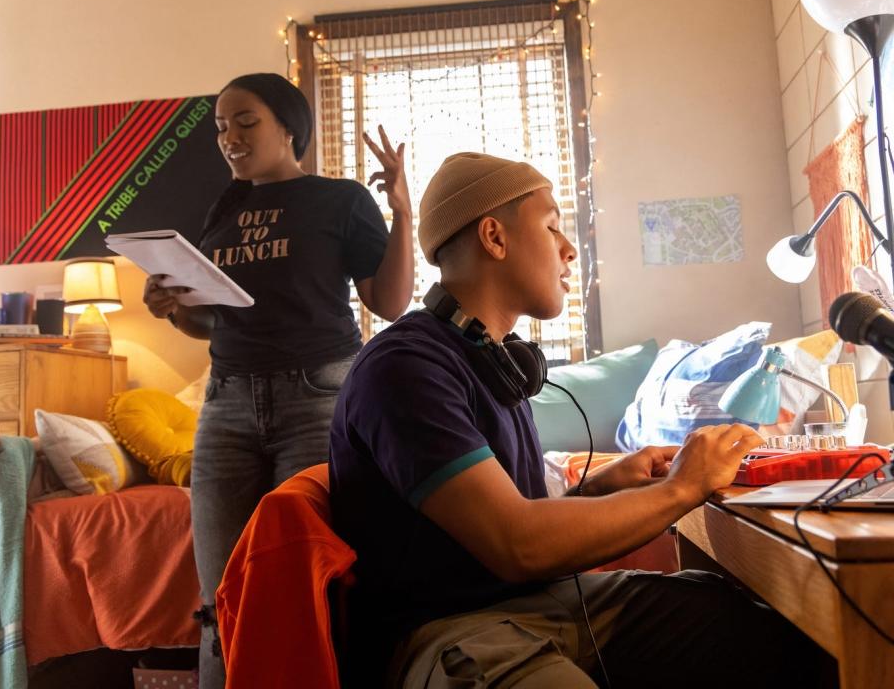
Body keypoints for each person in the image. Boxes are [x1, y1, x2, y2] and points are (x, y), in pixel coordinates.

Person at [328, 153, 824, 688]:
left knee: (781, 637)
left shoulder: (493, 360)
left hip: (533, 601)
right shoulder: (406, 368)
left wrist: (600, 489)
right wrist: (683, 488)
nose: (569, 251)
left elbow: (509, 529)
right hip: (449, 633)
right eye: (551, 227)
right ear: (494, 237)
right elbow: (516, 545)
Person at [142, 73, 414, 688]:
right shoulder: (223, 210)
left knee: (318, 586)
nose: (229, 138)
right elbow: (213, 323)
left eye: (245, 121)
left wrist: (401, 210)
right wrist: (174, 306)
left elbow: (391, 302)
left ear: (289, 126)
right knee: (221, 600)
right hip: (226, 405)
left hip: (317, 402)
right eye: (219, 128)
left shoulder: (339, 200)